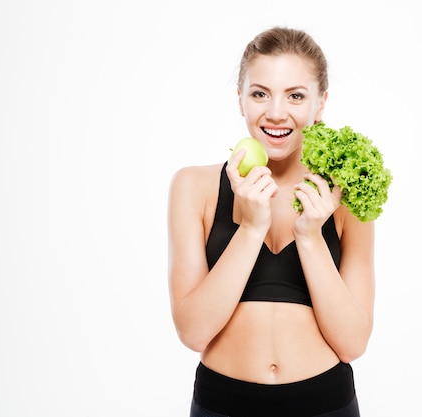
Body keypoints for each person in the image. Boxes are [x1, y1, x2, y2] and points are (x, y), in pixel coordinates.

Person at [167, 26, 375, 417]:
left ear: (321, 102)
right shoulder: (193, 186)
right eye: (260, 93)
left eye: (296, 95)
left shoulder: (345, 195)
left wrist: (311, 237)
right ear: (241, 100)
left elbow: (352, 343)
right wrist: (250, 228)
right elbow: (193, 333)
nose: (276, 112)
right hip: (221, 404)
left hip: (325, 404)